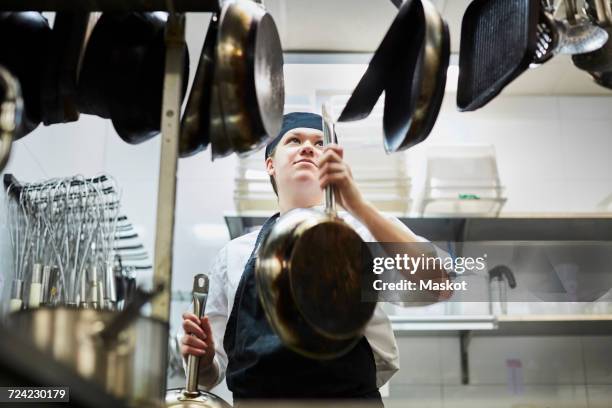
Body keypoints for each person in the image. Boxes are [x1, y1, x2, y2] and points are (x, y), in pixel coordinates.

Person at [179, 112, 452, 404]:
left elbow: (438, 284)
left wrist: (358, 205)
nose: (308, 147)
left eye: (320, 143)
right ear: (270, 164)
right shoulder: (234, 255)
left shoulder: (360, 232)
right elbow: (210, 375)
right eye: (294, 140)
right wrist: (204, 359)